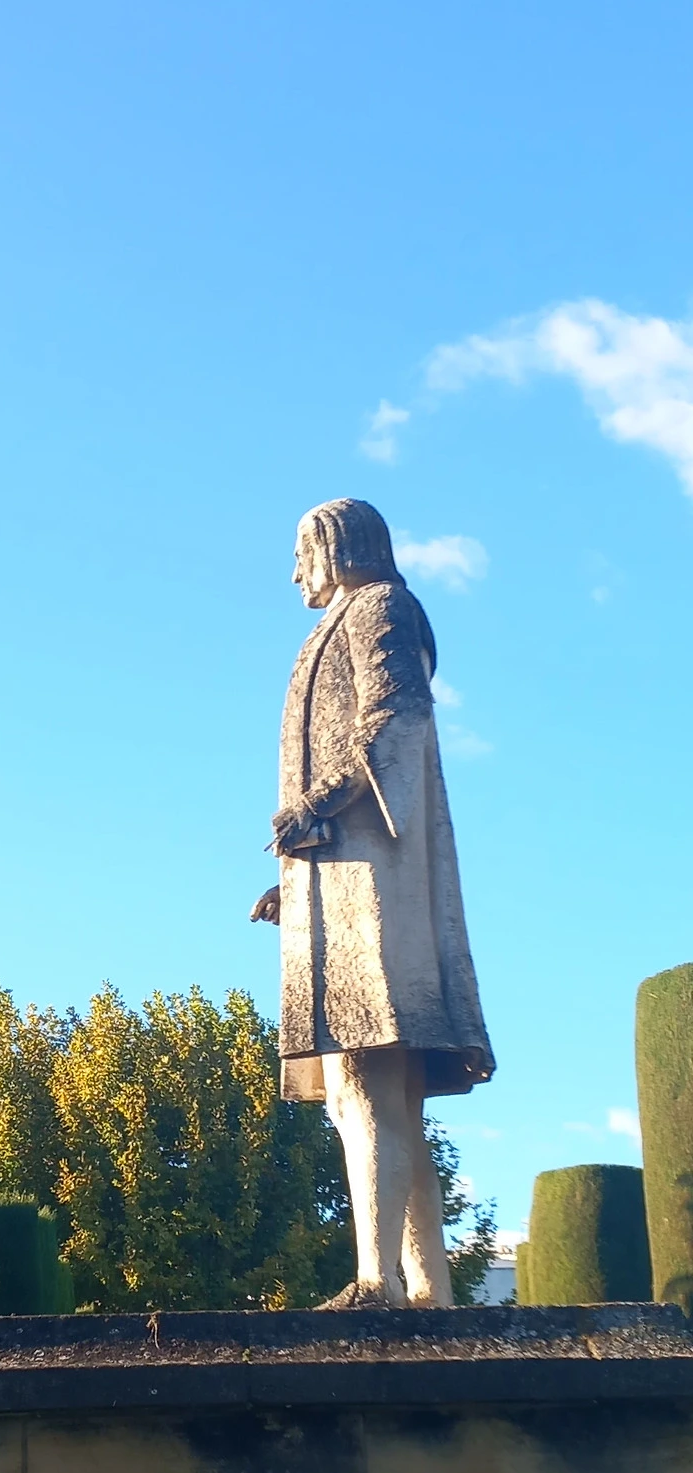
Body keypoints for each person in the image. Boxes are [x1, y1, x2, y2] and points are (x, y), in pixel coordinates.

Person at [251, 496, 494, 1307]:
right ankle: (427, 1288)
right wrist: (296, 881)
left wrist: (317, 803)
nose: (295, 572)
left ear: (336, 546)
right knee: (373, 1094)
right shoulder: (342, 620)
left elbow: (397, 721)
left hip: (376, 888)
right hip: (343, 879)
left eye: (302, 552)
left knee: (367, 1077)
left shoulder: (380, 605)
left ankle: (378, 1281)